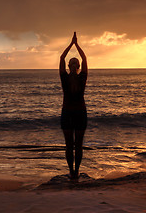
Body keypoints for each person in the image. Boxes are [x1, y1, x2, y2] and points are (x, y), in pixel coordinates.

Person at [59, 32, 88, 180]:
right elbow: (62, 58)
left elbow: (84, 58)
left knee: (79, 145)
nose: (74, 63)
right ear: (70, 65)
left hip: (80, 114)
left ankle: (77, 170)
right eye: (72, 61)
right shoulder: (64, 77)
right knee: (69, 145)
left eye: (76, 62)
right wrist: (71, 44)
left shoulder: (82, 77)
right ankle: (72, 171)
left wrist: (77, 45)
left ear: (77, 66)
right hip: (67, 114)